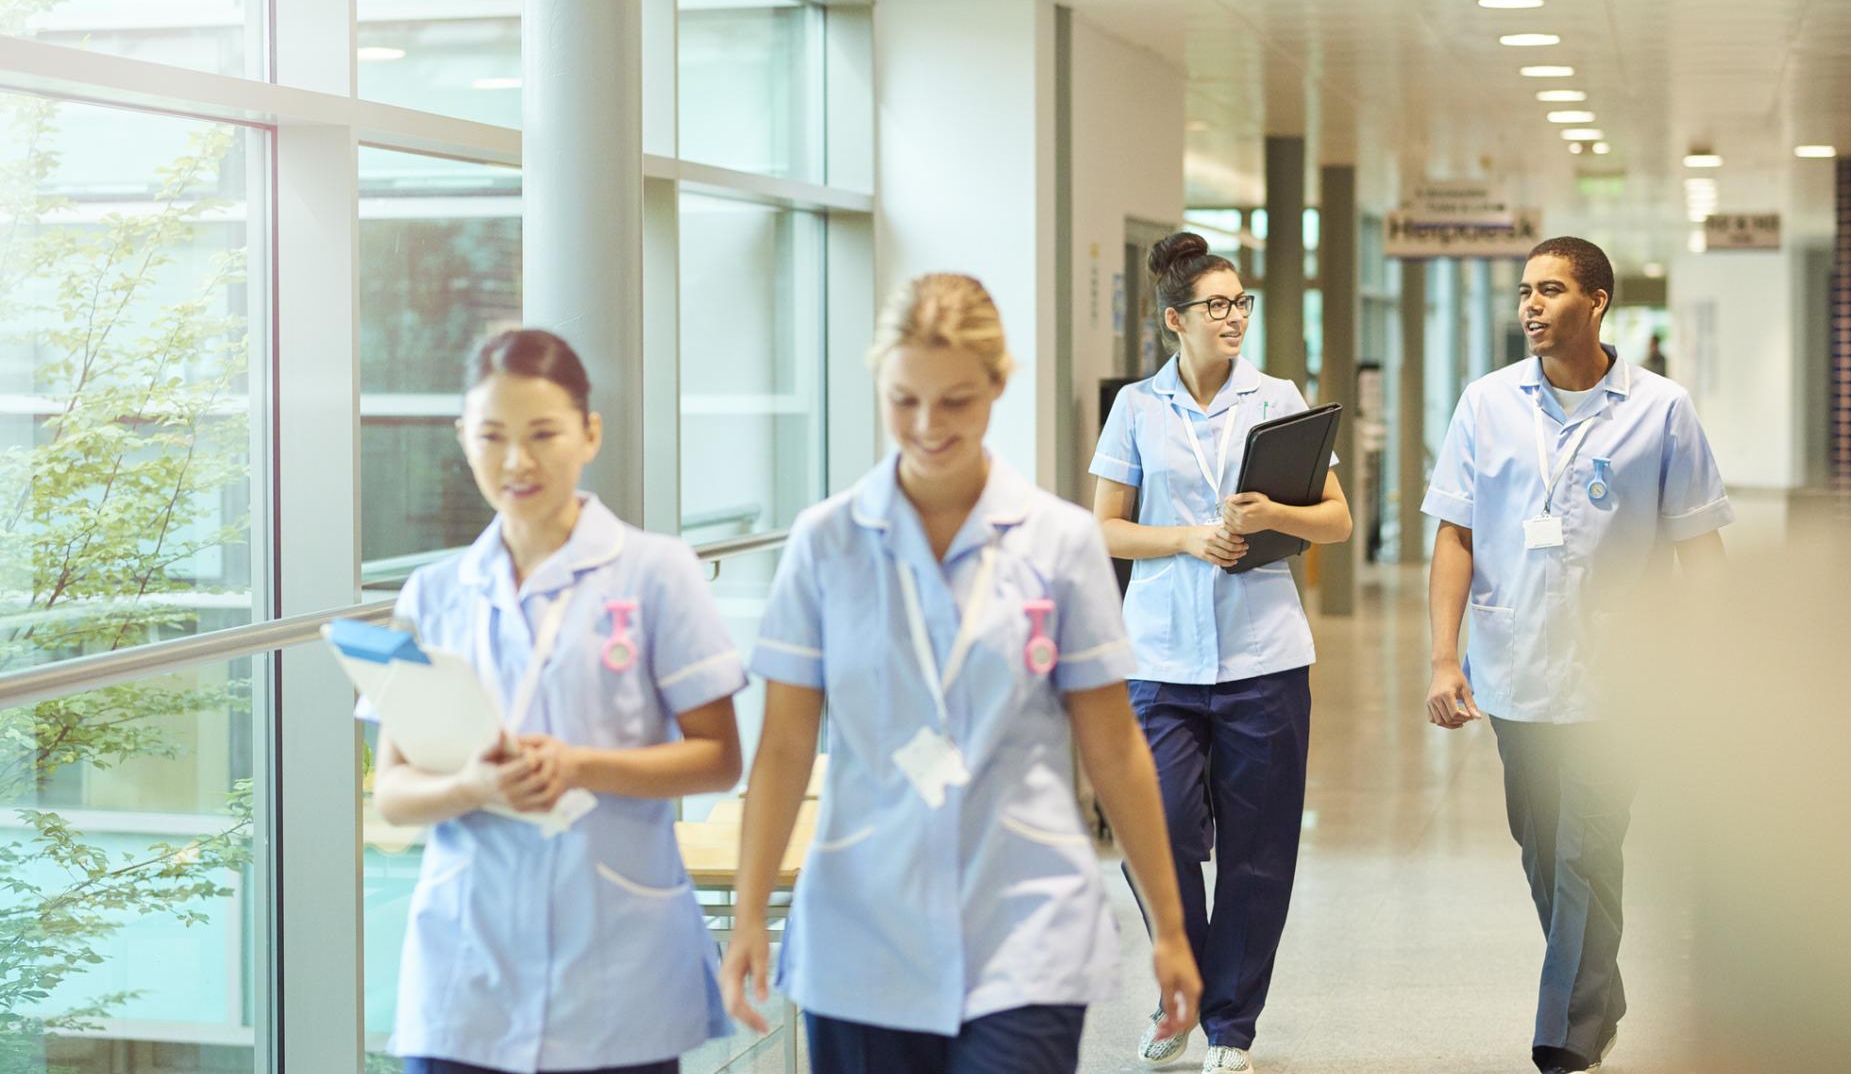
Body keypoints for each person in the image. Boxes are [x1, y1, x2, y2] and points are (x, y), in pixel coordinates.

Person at [719, 273, 1201, 1074]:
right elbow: (782, 748)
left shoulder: (1060, 541)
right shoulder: (827, 542)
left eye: (955, 403)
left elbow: (1115, 749)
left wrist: (1173, 929)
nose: (927, 426)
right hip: (862, 930)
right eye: (903, 399)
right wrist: (745, 917)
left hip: (1025, 922)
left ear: (997, 387)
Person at [361, 329, 746, 1074]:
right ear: (461, 440)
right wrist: (472, 788)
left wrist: (579, 766)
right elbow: (395, 796)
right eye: (492, 437)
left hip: (614, 976)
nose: (517, 461)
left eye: (543, 434)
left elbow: (718, 758)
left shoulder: (656, 572)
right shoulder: (432, 595)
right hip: (465, 981)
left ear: (589, 433)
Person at [1421, 237, 1732, 1074]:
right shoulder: (1486, 404)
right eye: (1525, 290)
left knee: (1586, 848)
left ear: (1596, 302)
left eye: (1549, 290)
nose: (1530, 304)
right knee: (1541, 842)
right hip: (1514, 667)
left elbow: (1700, 551)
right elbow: (1455, 534)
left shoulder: (1661, 409)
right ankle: (1602, 988)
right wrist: (1444, 659)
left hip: (1618, 680)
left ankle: (1567, 1036)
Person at [1089, 232, 1353, 1074]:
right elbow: (1104, 526)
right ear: (1177, 320)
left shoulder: (1278, 398)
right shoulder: (1137, 407)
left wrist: (1271, 515)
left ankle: (1230, 1027)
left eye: (1242, 303)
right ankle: (1185, 993)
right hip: (1160, 659)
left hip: (1263, 656)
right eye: (1217, 305)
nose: (1234, 316)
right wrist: (1186, 539)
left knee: (1258, 848)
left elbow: (1337, 520)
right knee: (1153, 828)